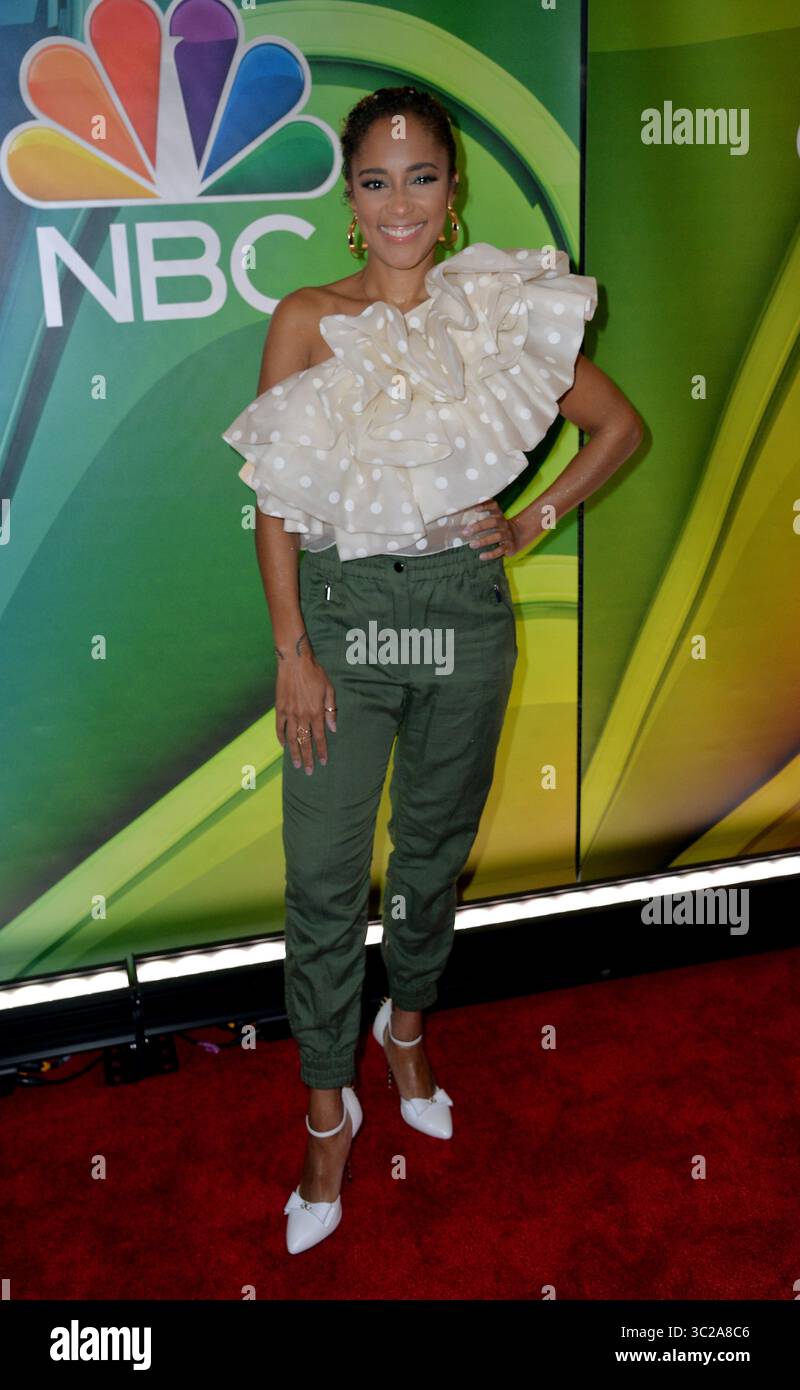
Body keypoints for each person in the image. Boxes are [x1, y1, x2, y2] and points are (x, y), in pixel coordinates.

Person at [222, 86, 643, 1254]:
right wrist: (293, 651)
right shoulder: (306, 314)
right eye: (375, 178)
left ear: (451, 195)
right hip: (345, 621)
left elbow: (616, 429)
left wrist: (531, 517)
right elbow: (273, 504)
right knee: (319, 877)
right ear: (349, 198)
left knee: (431, 852)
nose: (399, 200)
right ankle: (325, 1111)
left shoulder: (497, 310)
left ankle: (405, 1028)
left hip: (462, 616)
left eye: (420, 177)